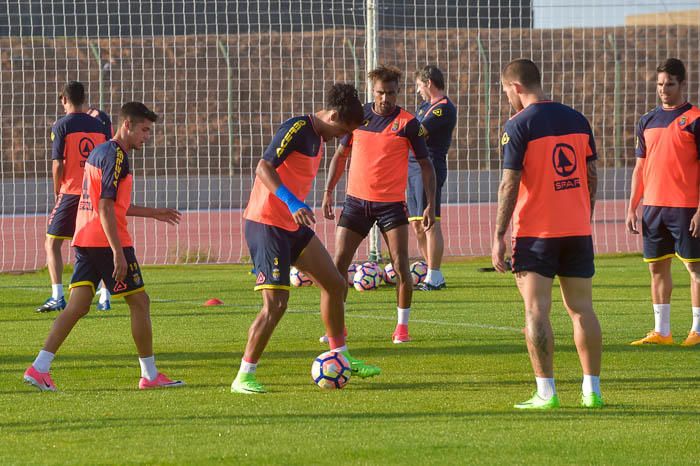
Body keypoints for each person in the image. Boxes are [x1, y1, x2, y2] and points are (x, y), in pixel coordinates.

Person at [231, 83, 381, 395]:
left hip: (291, 224)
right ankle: (244, 375)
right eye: (342, 129)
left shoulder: (321, 137)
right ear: (333, 115)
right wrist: (293, 202)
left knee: (335, 283)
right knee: (276, 304)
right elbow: (263, 167)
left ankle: (341, 356)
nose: (341, 137)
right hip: (267, 223)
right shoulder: (298, 128)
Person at [23, 102, 184, 391]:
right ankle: (149, 375)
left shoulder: (100, 152)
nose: (147, 136)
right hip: (106, 241)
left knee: (77, 305)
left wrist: (154, 212)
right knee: (140, 302)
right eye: (144, 130)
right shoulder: (116, 156)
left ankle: (39, 368)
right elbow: (106, 207)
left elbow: (114, 204)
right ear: (128, 125)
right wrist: (118, 252)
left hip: (85, 238)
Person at [491, 59, 603, 409]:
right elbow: (591, 175)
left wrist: (498, 234)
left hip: (537, 233)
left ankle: (546, 392)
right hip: (577, 229)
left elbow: (509, 184)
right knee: (582, 309)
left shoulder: (518, 124)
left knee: (536, 310)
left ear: (517, 88)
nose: (507, 96)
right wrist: (585, 214)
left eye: (507, 91)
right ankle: (592, 392)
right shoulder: (577, 119)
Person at [322, 65, 436, 344]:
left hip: (391, 206)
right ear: (372, 91)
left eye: (392, 93)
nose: (386, 99)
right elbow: (340, 156)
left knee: (400, 266)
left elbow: (426, 166)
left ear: (399, 92)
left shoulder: (409, 123)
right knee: (339, 264)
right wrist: (327, 192)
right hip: (356, 203)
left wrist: (430, 204)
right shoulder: (357, 118)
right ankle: (338, 328)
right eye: (381, 93)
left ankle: (402, 328)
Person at [627, 58, 700, 347]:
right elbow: (639, 168)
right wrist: (633, 206)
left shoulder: (695, 119)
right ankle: (662, 332)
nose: (663, 89)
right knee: (657, 268)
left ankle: (697, 330)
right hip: (653, 208)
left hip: (686, 208)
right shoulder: (647, 121)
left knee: (695, 269)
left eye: (669, 84)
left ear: (683, 84)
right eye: (659, 84)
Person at [38, 81, 114, 313]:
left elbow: (58, 163)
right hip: (96, 192)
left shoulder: (61, 125)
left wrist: (57, 189)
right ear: (84, 98)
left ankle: (57, 296)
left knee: (52, 242)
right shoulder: (99, 125)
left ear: (64, 100)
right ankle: (105, 296)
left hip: (71, 191)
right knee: (100, 243)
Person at [408, 66, 457, 291]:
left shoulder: (443, 108)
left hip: (430, 166)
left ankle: (435, 275)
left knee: (430, 221)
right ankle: (430, 272)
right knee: (417, 223)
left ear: (428, 83)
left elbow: (419, 133)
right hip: (413, 167)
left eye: (419, 85)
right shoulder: (424, 106)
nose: (417, 90)